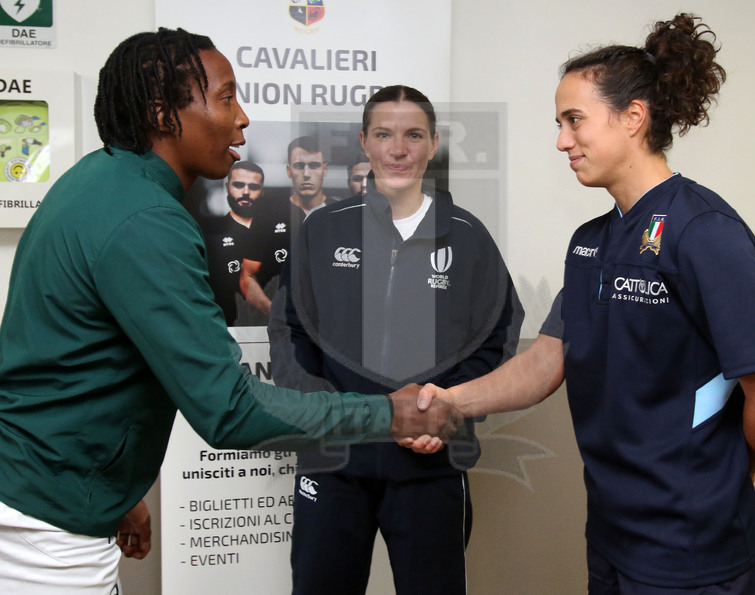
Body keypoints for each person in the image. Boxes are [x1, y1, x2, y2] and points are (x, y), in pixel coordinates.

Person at [0, 29, 461, 594]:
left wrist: (115, 494)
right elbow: (230, 412)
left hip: (52, 500)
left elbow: (75, 363)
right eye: (225, 97)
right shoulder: (145, 219)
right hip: (43, 534)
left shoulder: (101, 182)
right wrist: (389, 415)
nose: (242, 118)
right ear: (162, 112)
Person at [412, 13, 755, 594]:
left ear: (634, 118)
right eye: (559, 122)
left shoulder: (706, 233)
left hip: (692, 549)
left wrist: (721, 475)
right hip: (613, 534)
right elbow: (549, 358)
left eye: (575, 120)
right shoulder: (592, 240)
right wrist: (451, 400)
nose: (562, 140)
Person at [269, 85, 523, 594]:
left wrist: (446, 410)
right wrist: (328, 413)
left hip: (429, 464)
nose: (398, 149)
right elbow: (289, 330)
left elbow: (496, 338)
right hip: (334, 458)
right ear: (365, 142)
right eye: (384, 134)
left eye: (413, 135)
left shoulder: (468, 237)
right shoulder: (322, 230)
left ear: (432, 144)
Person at [239, 136, 335, 317]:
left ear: (325, 170)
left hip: (332, 331)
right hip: (283, 333)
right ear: (289, 171)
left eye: (314, 166)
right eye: (299, 166)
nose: (307, 174)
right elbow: (247, 278)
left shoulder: (343, 213)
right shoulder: (268, 214)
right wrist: (277, 315)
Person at [202, 160, 264, 326]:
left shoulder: (276, 231)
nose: (246, 192)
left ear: (262, 191)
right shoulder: (208, 234)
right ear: (227, 186)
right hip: (224, 327)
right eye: (238, 185)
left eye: (253, 187)